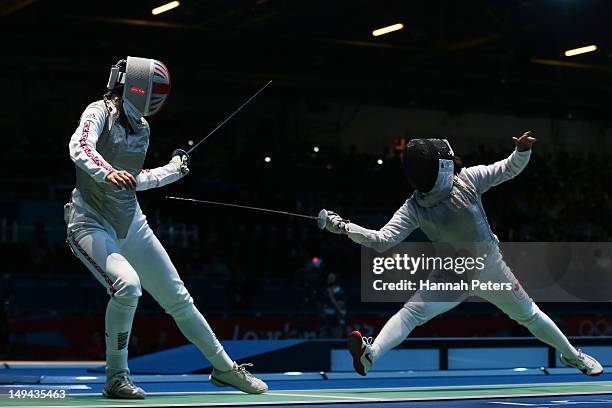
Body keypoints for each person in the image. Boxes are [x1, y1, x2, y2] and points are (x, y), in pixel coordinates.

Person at [64, 57, 267, 399]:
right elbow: (79, 146)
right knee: (128, 286)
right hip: (90, 221)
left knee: (180, 300)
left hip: (131, 221)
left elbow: (135, 182)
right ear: (136, 85)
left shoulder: (141, 127)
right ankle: (116, 377)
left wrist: (173, 170)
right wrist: (106, 171)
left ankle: (225, 369)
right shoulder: (98, 111)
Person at [323, 132, 603, 377]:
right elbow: (509, 168)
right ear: (442, 167)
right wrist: (522, 151)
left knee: (411, 315)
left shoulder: (427, 200)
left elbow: (381, 240)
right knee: (529, 315)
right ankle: (574, 357)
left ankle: (372, 355)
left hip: (458, 271)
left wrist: (345, 227)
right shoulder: (440, 193)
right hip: (479, 269)